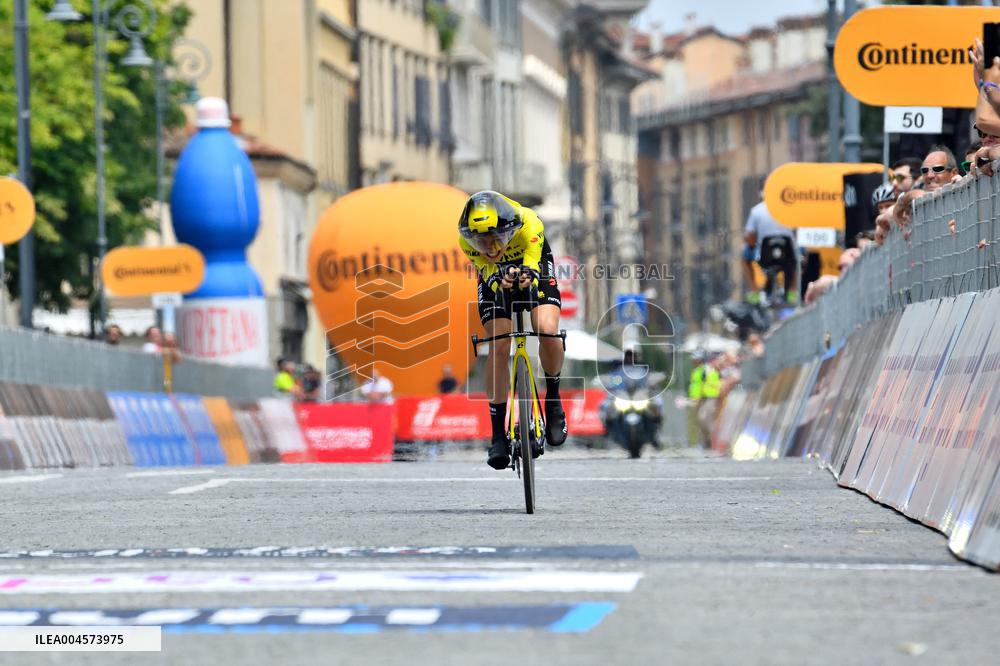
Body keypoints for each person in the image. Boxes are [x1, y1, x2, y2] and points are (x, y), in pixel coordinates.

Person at [458, 190, 566, 470]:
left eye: (495, 238)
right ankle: (497, 434)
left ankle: (553, 399)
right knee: (498, 343)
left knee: (546, 329)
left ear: (508, 229)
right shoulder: (465, 241)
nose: (490, 247)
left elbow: (532, 264)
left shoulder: (529, 222)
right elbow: (485, 269)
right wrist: (498, 281)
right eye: (481, 241)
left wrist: (526, 276)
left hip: (534, 262)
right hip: (494, 273)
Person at [742, 199, 798, 304]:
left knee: (744, 256)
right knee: (800, 256)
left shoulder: (756, 211)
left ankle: (754, 291)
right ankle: (792, 291)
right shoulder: (791, 208)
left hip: (764, 255)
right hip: (788, 255)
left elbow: (750, 238)